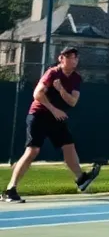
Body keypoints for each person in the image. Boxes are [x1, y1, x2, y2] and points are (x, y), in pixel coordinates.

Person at [3, 46, 101, 203]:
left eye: (75, 57)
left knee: (69, 146)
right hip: (39, 115)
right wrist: (54, 110)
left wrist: (61, 89)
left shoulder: (76, 78)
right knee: (33, 150)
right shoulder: (52, 73)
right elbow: (37, 94)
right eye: (69, 56)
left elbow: (73, 101)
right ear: (61, 59)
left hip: (57, 118)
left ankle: (81, 179)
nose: (73, 59)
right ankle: (10, 190)